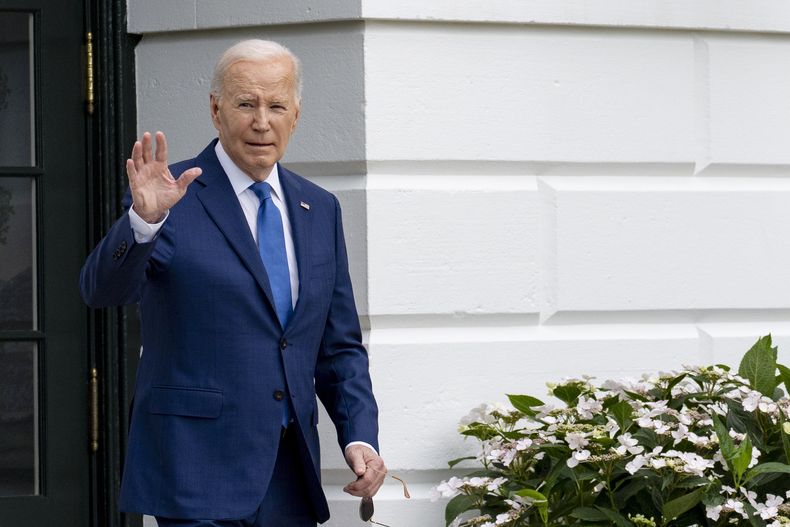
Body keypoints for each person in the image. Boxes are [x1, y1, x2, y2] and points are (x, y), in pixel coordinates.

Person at [80, 39, 385, 526]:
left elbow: (338, 345)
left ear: (296, 114)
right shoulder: (170, 197)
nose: (262, 122)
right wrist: (142, 221)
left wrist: (359, 436)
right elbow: (101, 291)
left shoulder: (319, 208)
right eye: (246, 104)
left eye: (276, 105)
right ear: (216, 109)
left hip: (289, 473)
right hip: (195, 469)